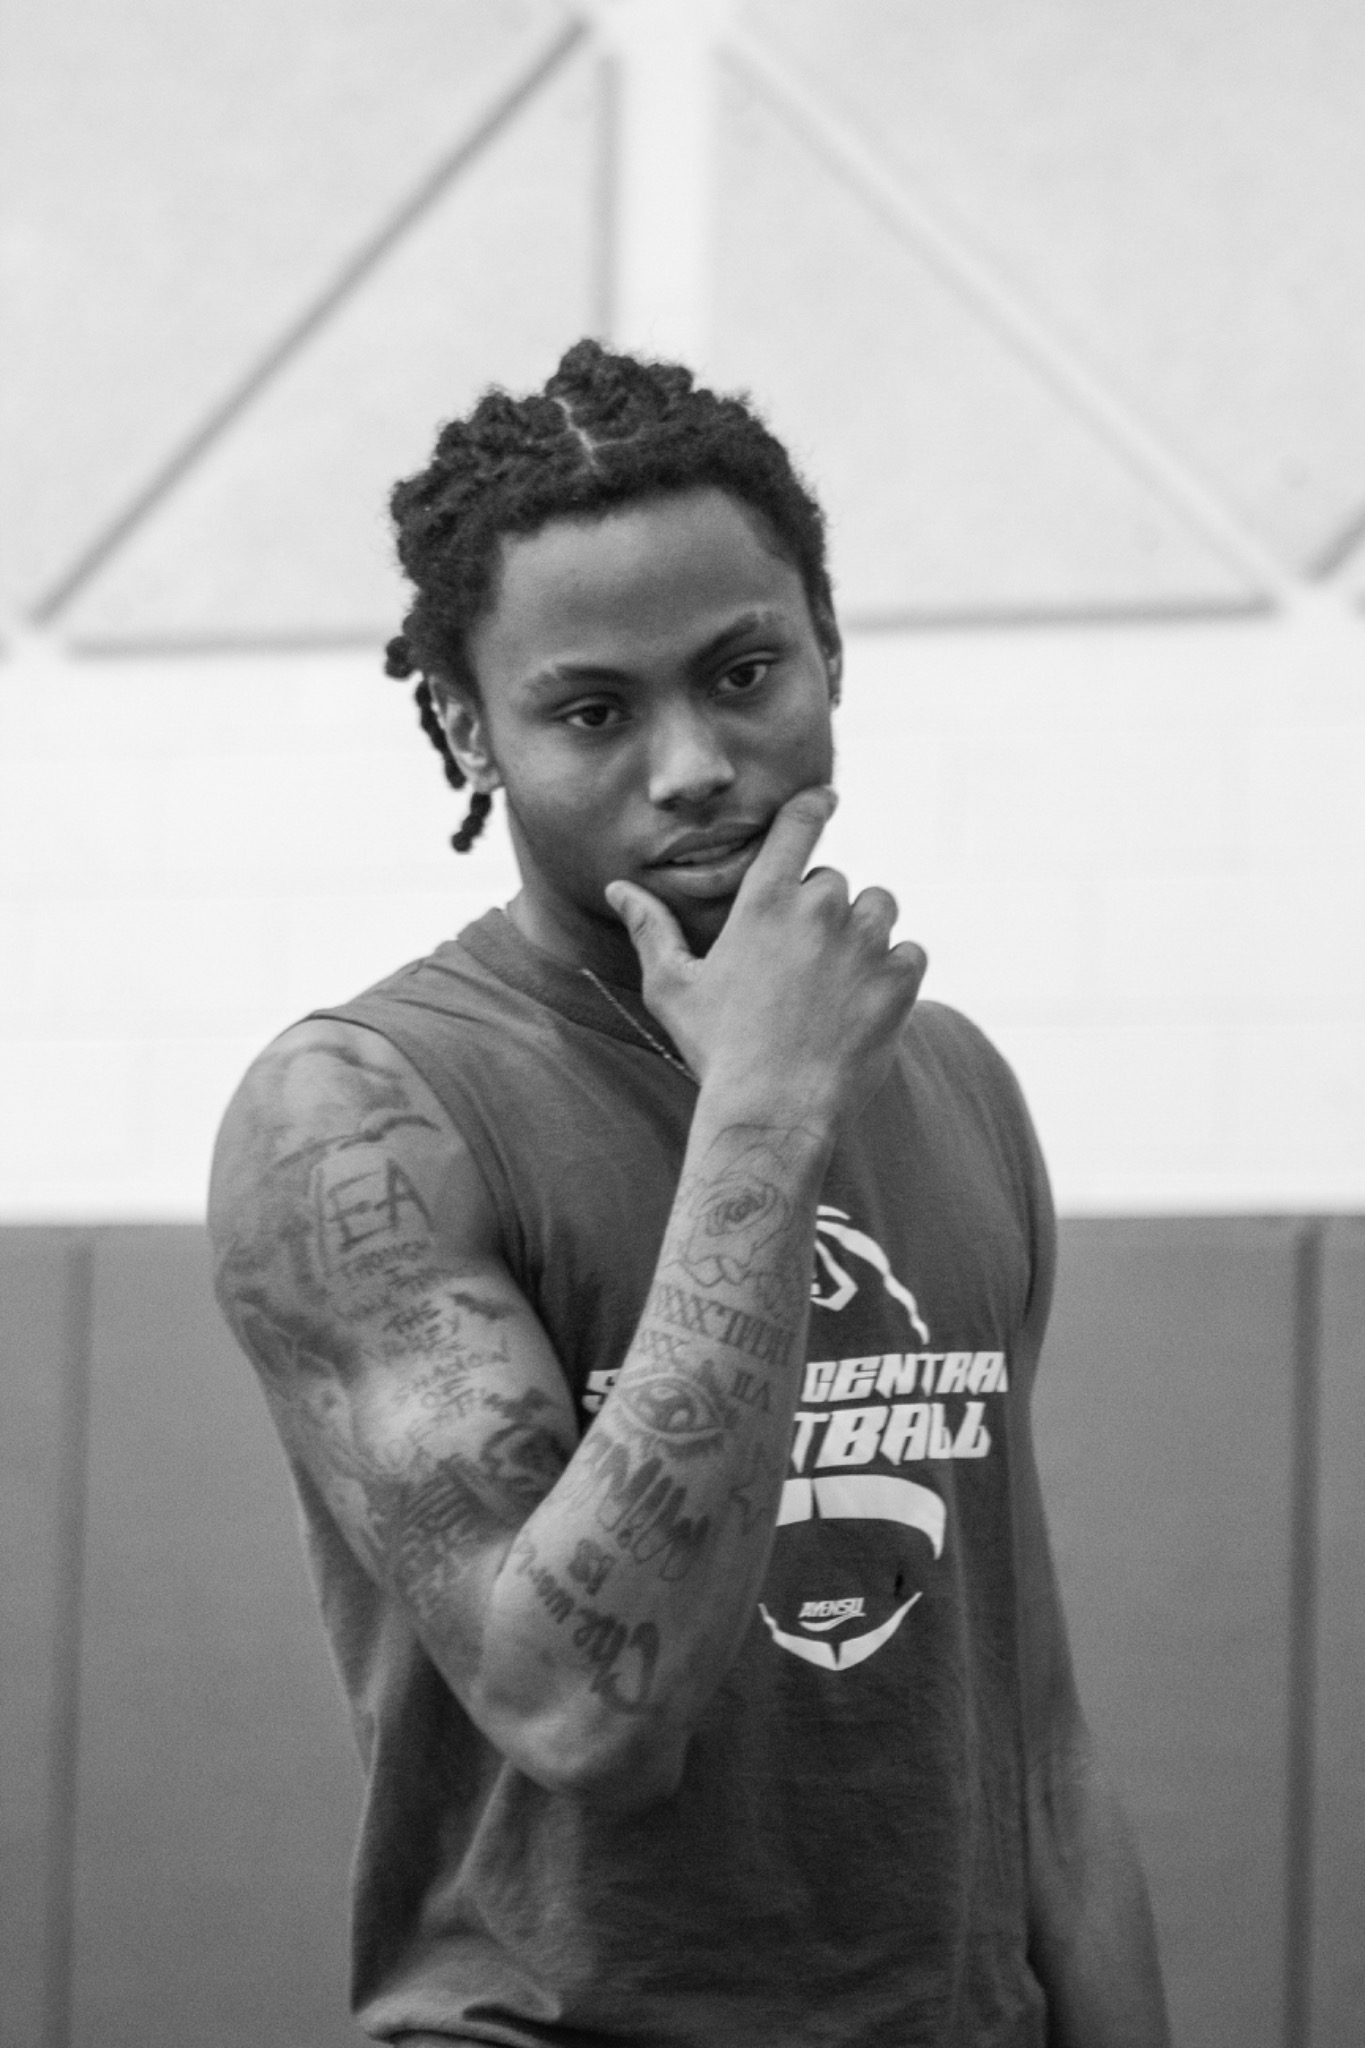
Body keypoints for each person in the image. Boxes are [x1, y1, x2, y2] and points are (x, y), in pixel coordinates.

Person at [208, 340, 1170, 2047]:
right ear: (467, 728)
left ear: (829, 649)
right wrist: (763, 1117)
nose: (694, 766)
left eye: (743, 673)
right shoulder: (357, 1116)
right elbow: (579, 1709)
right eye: (593, 711)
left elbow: (1034, 1754)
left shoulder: (951, 1078)